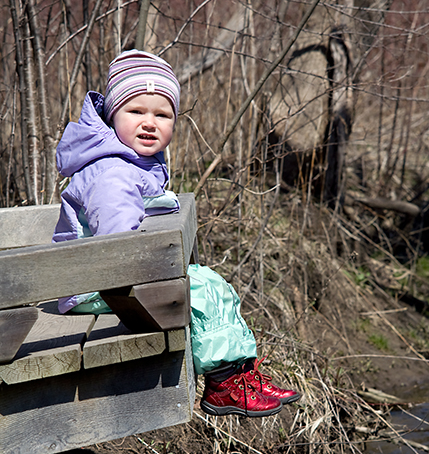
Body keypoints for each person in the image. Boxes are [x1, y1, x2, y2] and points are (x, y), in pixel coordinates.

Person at [53, 49, 300, 418]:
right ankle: (224, 383)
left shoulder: (135, 162)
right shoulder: (112, 174)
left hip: (107, 276)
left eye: (162, 114)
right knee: (198, 286)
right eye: (135, 112)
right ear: (111, 116)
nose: (149, 123)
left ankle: (240, 375)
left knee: (208, 282)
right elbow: (116, 251)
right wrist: (165, 271)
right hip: (95, 285)